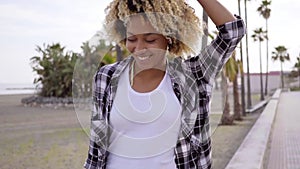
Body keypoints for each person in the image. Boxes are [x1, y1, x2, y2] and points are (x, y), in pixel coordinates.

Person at [84, 0, 246, 168]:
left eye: (150, 39)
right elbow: (96, 149)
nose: (139, 48)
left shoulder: (193, 75)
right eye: (131, 38)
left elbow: (233, 32)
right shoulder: (106, 77)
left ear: (169, 38)